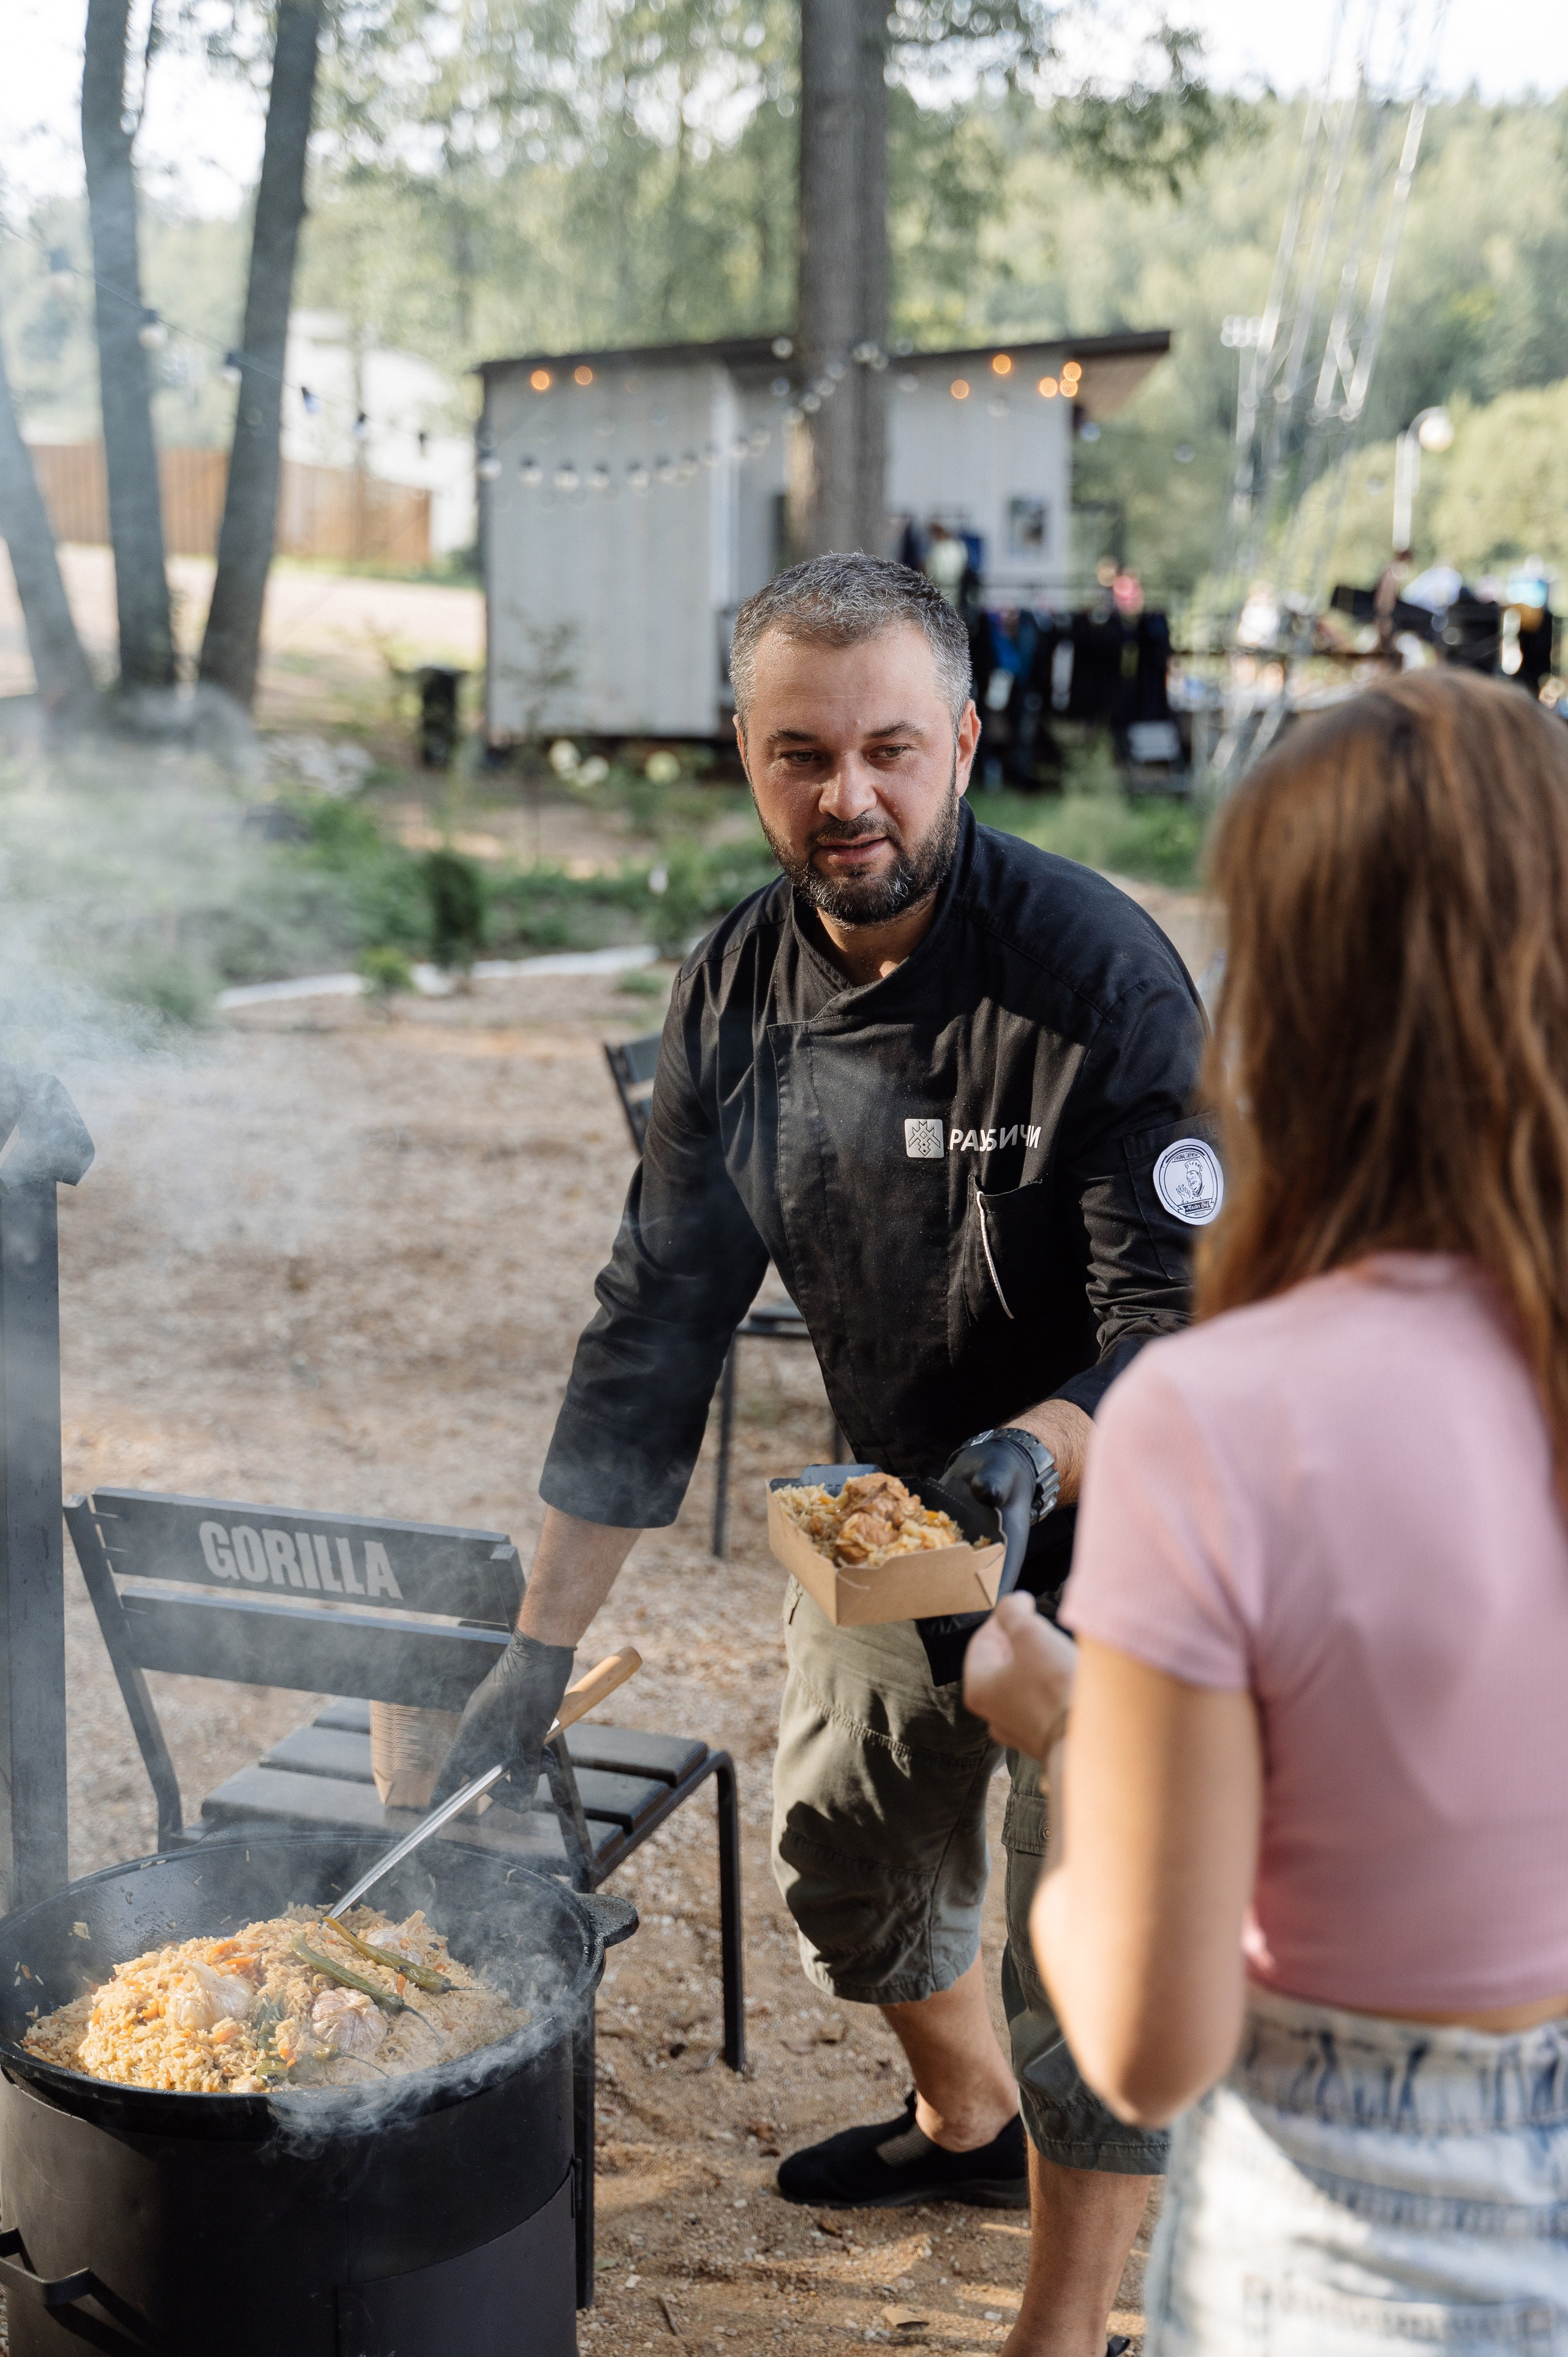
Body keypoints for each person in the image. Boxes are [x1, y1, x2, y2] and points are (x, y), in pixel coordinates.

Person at [432, 552, 1218, 2357]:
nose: (845, 796)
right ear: (745, 754)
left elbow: (1177, 1335)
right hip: (902, 1516)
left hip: (1134, 1520)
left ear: (964, 746)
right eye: (800, 753)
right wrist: (536, 1655)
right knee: (853, 1860)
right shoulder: (735, 992)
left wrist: (1035, 1457)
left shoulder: (1096, 977)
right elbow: (654, 1325)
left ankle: (1060, 2322)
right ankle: (966, 2119)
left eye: (887, 750)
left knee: (1087, 1939)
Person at [965, 668, 1568, 2350]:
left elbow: (1145, 2042)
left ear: (1286, 1000)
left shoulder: (1222, 1418)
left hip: (1341, 2258)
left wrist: (1071, 1732)